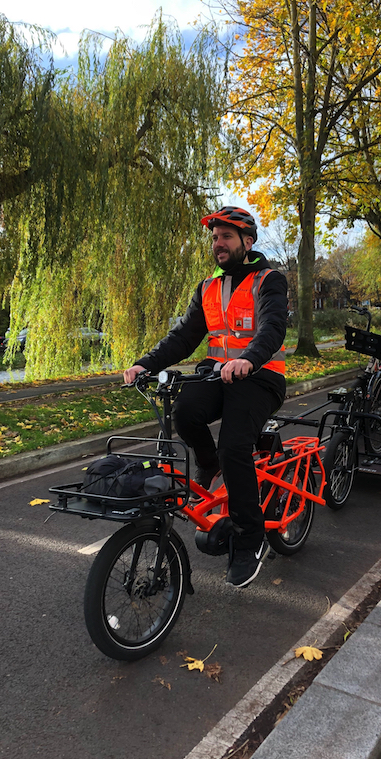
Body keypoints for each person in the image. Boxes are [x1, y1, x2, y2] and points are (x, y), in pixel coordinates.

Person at [122, 206, 288, 588]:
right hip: (220, 376)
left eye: (226, 237)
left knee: (235, 448)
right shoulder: (208, 287)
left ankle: (249, 539)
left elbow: (273, 328)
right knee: (185, 414)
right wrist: (144, 364)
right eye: (214, 238)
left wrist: (248, 360)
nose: (218, 244)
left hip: (261, 378)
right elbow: (183, 337)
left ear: (248, 241)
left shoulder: (269, 279)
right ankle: (208, 462)